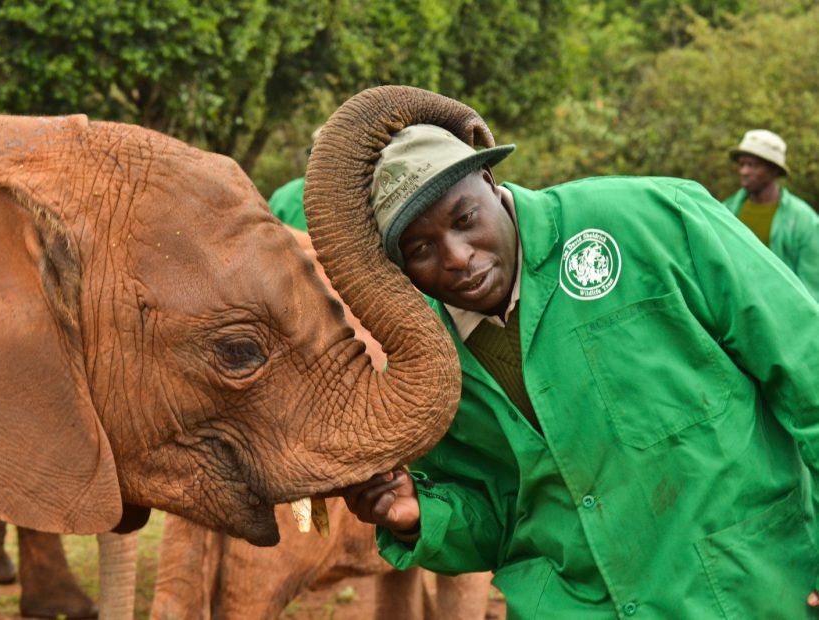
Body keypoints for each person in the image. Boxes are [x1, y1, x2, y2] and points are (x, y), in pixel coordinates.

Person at [331, 95, 819, 618]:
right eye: (421, 249)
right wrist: (418, 517)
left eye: (466, 218)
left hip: (746, 589)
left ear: (493, 187)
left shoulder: (649, 221)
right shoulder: (428, 360)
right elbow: (500, 517)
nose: (456, 257)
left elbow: (804, 360)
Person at [722, 129, 819, 301]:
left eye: (753, 165)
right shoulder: (726, 210)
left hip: (784, 314)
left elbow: (812, 284)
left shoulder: (804, 221)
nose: (744, 171)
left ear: (774, 170)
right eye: (742, 164)